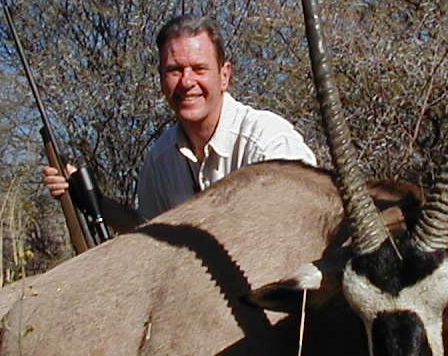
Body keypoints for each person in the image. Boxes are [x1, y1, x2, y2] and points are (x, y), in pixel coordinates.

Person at [43, 14, 316, 223]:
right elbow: (150, 235)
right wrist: (91, 198)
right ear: (161, 79)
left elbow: (300, 233)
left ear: (224, 75)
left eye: (199, 69)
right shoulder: (160, 159)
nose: (187, 82)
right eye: (174, 70)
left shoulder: (269, 144)